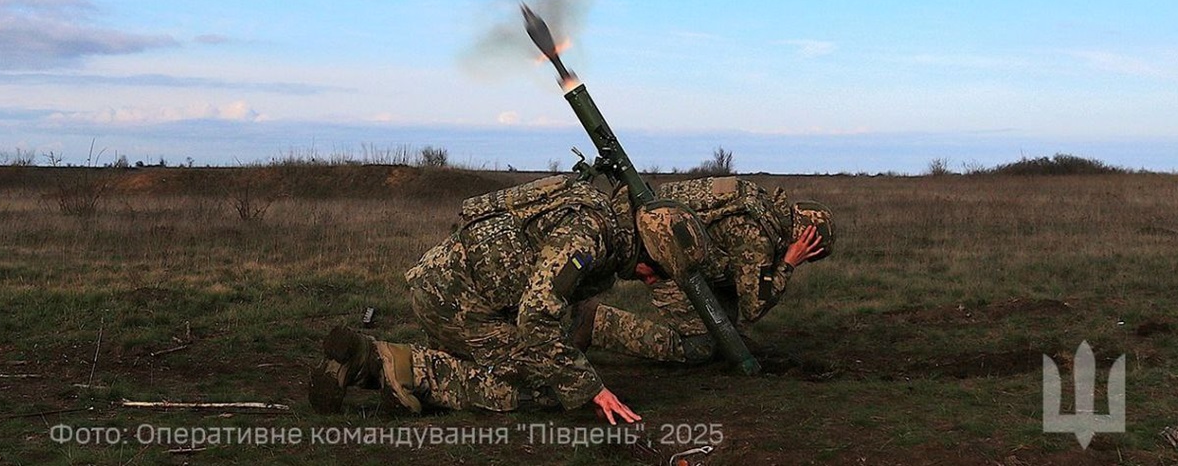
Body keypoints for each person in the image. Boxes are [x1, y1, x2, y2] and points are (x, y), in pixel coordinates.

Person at [308, 174, 707, 424]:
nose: (651, 280)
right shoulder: (586, 238)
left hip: (456, 289)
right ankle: (396, 365)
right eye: (657, 271)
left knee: (548, 356)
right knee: (548, 388)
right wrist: (590, 388)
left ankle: (366, 358)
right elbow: (536, 317)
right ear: (647, 254)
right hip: (458, 304)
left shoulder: (599, 215)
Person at [570, 176, 834, 365]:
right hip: (661, 261)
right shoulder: (757, 237)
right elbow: (755, 307)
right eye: (810, 254)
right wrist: (788, 264)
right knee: (700, 345)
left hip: (665, 247)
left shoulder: (758, 204)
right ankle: (598, 322)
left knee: (726, 322)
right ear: (804, 237)